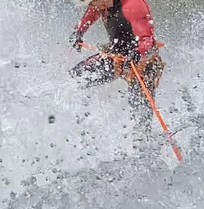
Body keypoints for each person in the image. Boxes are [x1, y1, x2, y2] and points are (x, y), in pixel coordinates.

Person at [68, 0, 164, 150]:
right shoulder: (101, 4)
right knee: (75, 77)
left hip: (143, 64)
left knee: (140, 119)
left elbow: (148, 41)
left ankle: (145, 149)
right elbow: (91, 13)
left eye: (92, 2)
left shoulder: (133, 5)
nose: (91, 7)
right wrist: (79, 31)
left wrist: (138, 53)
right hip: (117, 57)